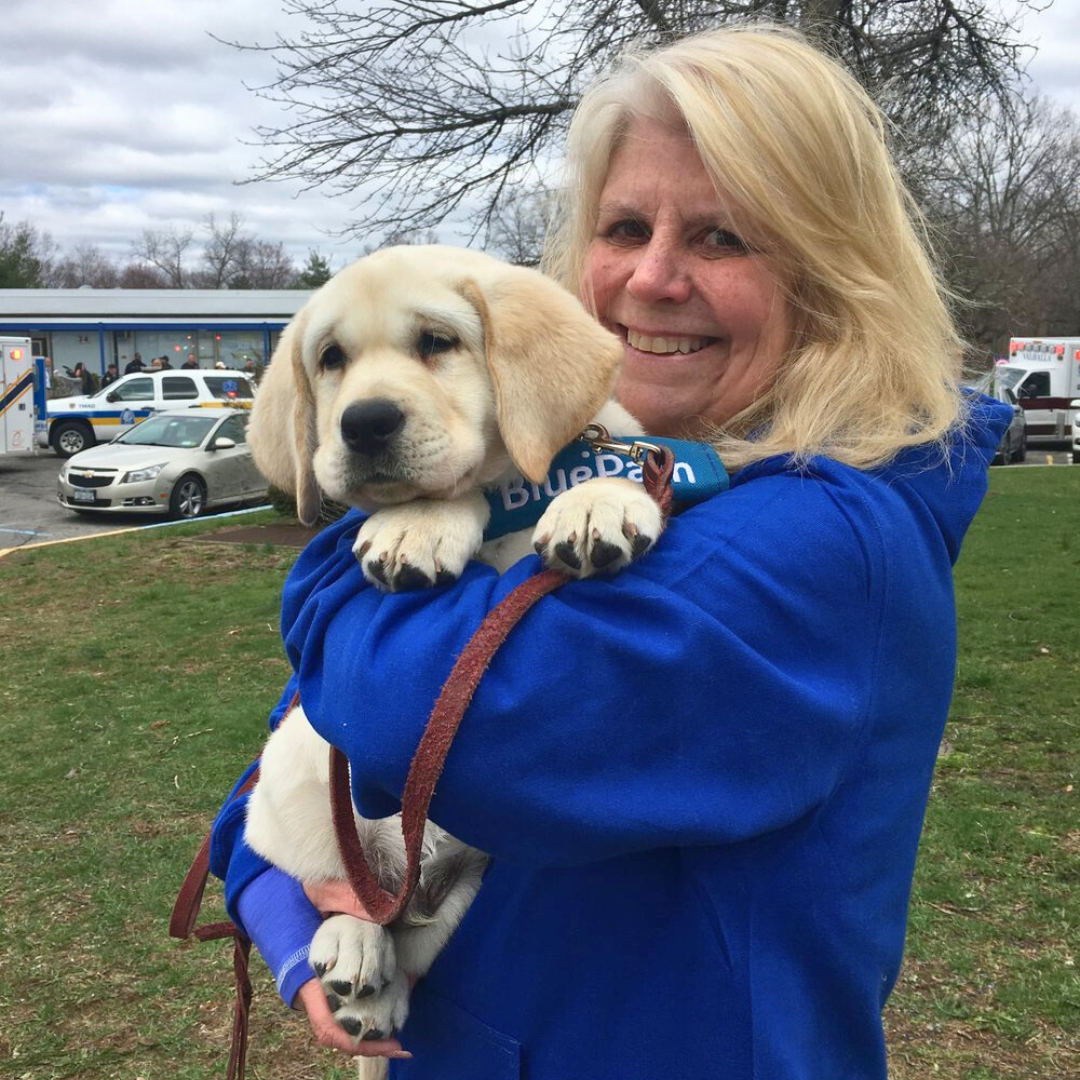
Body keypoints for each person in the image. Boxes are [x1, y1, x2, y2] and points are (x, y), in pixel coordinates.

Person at [209, 26, 1011, 1080]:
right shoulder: (578, 478)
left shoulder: (825, 539)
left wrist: (341, 558)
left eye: (725, 238)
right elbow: (290, 762)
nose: (652, 278)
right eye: (624, 225)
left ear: (829, 272)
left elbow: (417, 723)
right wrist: (299, 930)